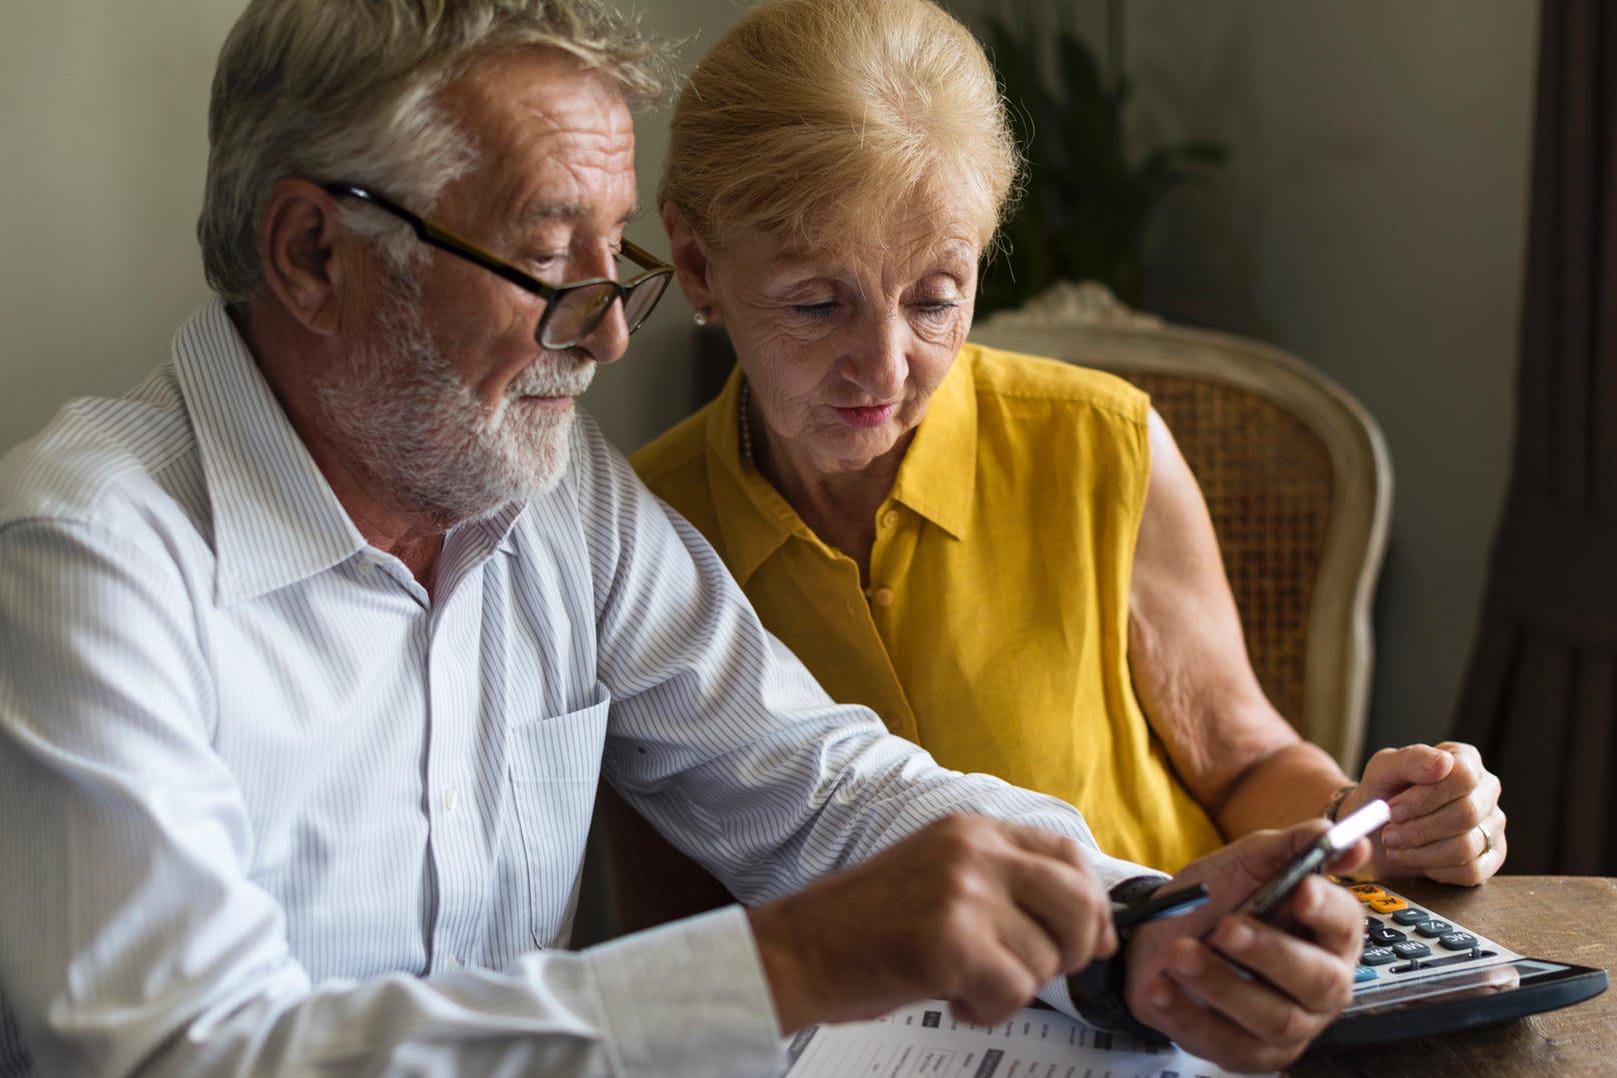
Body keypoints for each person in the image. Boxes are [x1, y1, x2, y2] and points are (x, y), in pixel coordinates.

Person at [0, 1, 1368, 1074]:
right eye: (550, 264)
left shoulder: (554, 496)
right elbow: (177, 1055)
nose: (604, 335)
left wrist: (1143, 921)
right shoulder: (81, 564)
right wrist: (778, 965)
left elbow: (822, 786)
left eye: (618, 265)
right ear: (312, 253)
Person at [620, 0, 1506, 917]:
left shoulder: (1100, 446)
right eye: (814, 304)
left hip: (1170, 1011)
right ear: (694, 263)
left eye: (934, 300)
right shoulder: (638, 538)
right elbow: (675, 915)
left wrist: (1363, 815)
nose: (885, 367)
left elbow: (1245, 761)